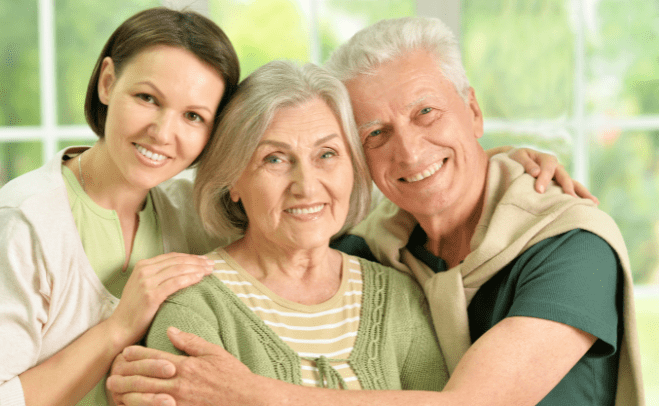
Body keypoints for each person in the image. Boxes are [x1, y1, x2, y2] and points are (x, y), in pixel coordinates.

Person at [106, 16, 643, 406]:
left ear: (474, 111)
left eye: (427, 112)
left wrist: (255, 396)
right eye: (376, 133)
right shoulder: (384, 249)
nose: (409, 151)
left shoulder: (572, 248)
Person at [0, 7, 239, 406]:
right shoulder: (23, 224)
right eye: (147, 98)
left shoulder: (194, 217)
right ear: (107, 82)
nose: (163, 132)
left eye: (193, 116)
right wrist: (117, 327)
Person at [145, 60, 449, 392]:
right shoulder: (193, 308)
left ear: (355, 168)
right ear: (231, 177)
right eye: (274, 158)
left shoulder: (398, 296)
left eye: (327, 154)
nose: (306, 186)